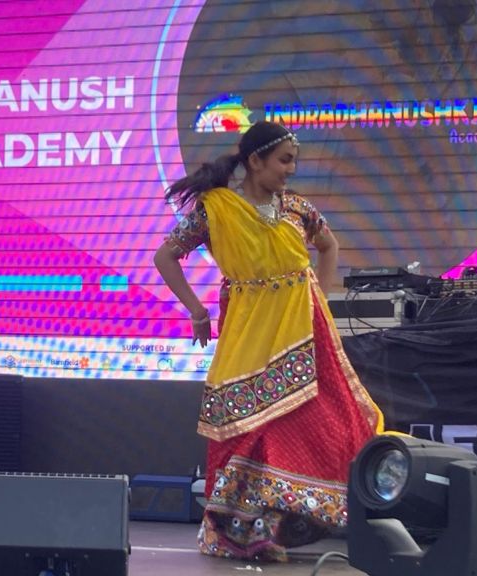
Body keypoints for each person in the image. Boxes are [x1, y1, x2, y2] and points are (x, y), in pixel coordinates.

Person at [154, 121, 384, 561]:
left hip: (302, 325)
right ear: (255, 160)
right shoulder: (216, 209)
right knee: (247, 426)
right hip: (249, 327)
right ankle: (238, 528)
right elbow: (165, 256)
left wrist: (318, 295)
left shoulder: (297, 208)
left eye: (293, 160)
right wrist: (197, 311)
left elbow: (328, 246)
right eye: (284, 160)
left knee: (317, 422)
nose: (291, 170)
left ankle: (280, 523)